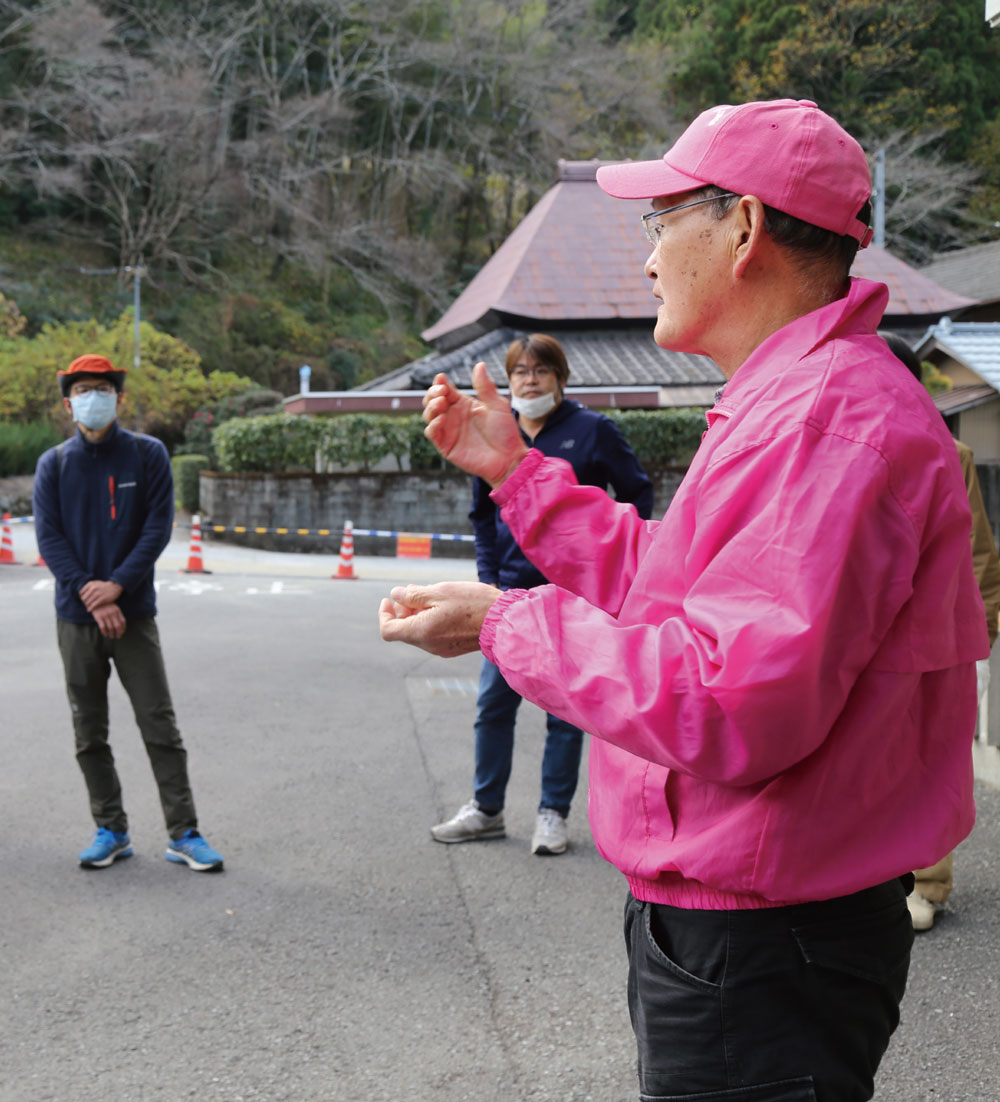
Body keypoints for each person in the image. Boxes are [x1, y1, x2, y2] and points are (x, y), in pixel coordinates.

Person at [379, 99, 986, 1101]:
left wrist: (503, 620)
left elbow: (725, 697)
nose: (650, 258)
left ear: (743, 228)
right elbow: (676, 583)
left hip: (760, 936)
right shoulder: (798, 395)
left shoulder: (820, 419)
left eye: (661, 223)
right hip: (757, 923)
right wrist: (518, 475)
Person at [431, 333, 654, 856]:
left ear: (560, 377)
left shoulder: (593, 431)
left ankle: (552, 814)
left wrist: (612, 570)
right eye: (520, 374)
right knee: (492, 706)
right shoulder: (494, 431)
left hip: (574, 601)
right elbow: (482, 515)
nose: (529, 382)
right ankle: (486, 809)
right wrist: (488, 577)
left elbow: (637, 492)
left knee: (566, 716)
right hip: (508, 595)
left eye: (540, 372)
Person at [33, 354, 224, 873]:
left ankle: (184, 833)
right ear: (68, 401)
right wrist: (92, 594)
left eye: (102, 388)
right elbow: (49, 538)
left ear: (118, 397)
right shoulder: (54, 463)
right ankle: (110, 828)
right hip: (76, 619)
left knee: (159, 726)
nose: (92, 397)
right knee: (88, 731)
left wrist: (116, 587)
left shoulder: (147, 454)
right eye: (82, 389)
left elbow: (157, 529)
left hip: (134, 614)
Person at [881, 331, 1000, 930]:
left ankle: (928, 883)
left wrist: (985, 634)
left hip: (941, 638)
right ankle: (878, 875)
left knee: (931, 760)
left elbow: (979, 551)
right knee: (877, 758)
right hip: (878, 639)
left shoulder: (951, 454)